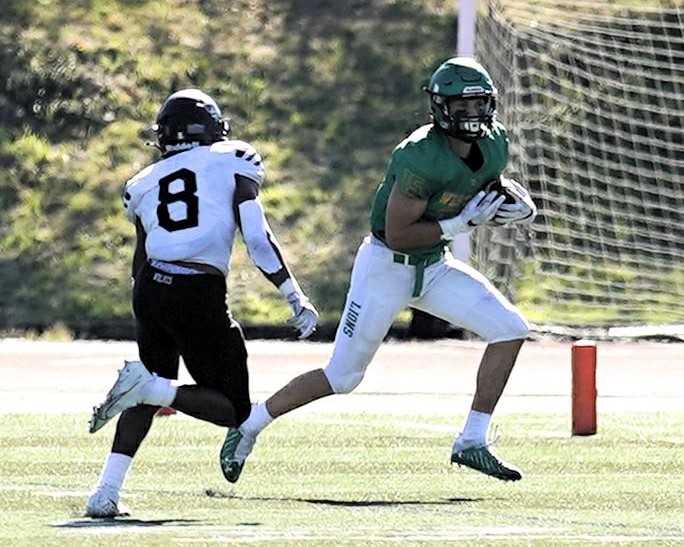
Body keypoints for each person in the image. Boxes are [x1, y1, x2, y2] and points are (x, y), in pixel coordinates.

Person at [220, 57, 537, 484]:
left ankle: (472, 441)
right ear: (440, 109)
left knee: (511, 329)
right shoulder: (417, 156)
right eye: (461, 107)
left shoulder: (496, 143)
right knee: (343, 376)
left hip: (434, 266)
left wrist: (508, 204)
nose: (471, 115)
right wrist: (462, 223)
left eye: (479, 105)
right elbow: (400, 232)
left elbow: (479, 189)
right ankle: (249, 426)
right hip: (387, 267)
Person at [85, 89, 318, 517]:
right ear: (212, 129)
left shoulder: (140, 183)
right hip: (197, 290)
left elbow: (141, 261)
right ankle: (150, 387)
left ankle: (104, 492)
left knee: (149, 385)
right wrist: (292, 292)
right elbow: (257, 236)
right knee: (232, 409)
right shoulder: (233, 157)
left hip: (150, 289)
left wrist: (150, 310)